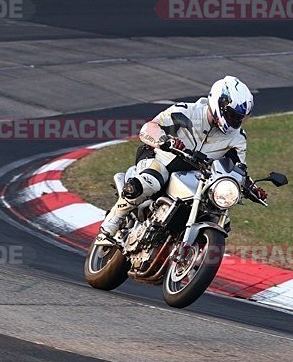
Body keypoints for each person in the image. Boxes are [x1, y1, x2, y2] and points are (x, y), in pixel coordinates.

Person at [96, 75, 266, 243]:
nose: (236, 120)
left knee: (218, 211)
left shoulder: (238, 138)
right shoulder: (186, 111)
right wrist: (165, 141)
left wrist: (251, 187)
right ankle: (114, 220)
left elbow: (237, 168)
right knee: (151, 182)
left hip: (196, 177)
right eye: (232, 115)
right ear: (218, 104)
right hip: (161, 159)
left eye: (240, 117)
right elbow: (149, 128)